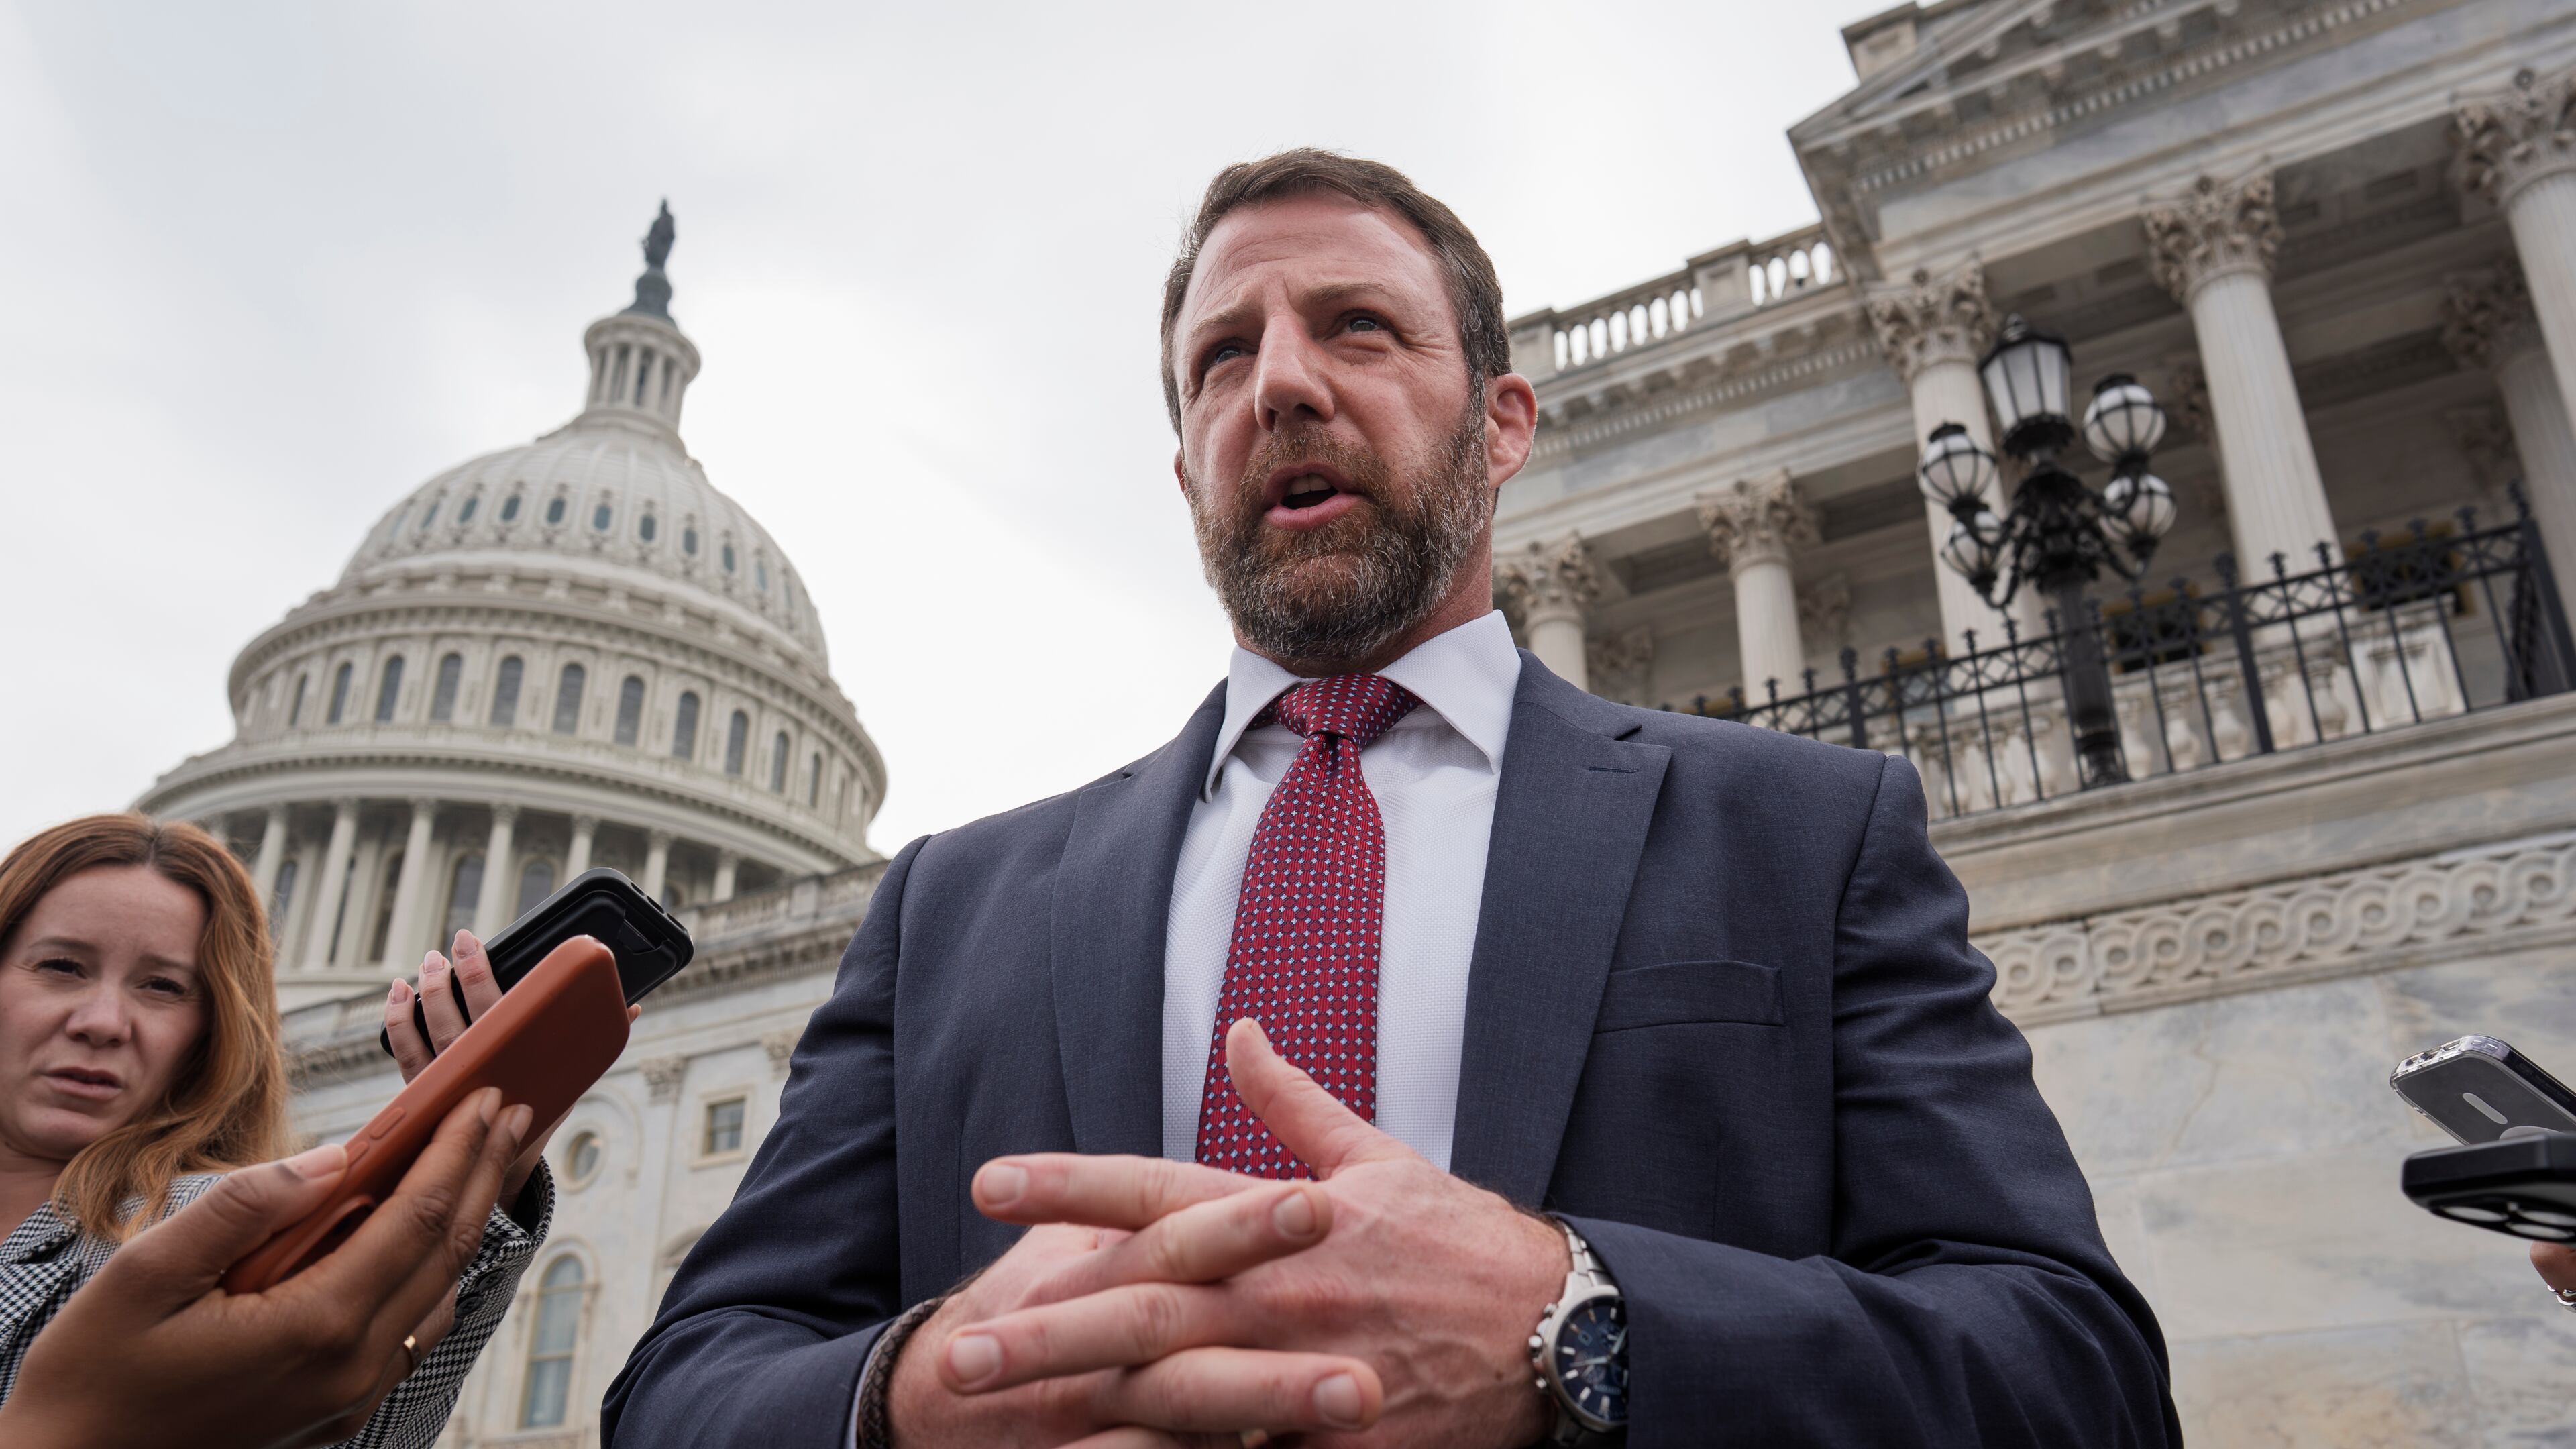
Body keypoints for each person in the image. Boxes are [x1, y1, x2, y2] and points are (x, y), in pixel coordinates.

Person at [605, 151, 2182, 1447]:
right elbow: (680, 1390)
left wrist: (1575, 1320)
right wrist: (916, 1394)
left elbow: (2074, 1376)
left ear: (1500, 427)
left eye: (1355, 326)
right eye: (1220, 357)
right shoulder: (950, 906)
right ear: (1183, 474)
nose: (1278, 382)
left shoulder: (1802, 834)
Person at [0, 814, 554, 1447]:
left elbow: (362, 1423)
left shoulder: (212, 1237)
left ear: (210, 1034)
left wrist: (485, 1175)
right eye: (63, 967)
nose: (102, 1022)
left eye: (162, 986)